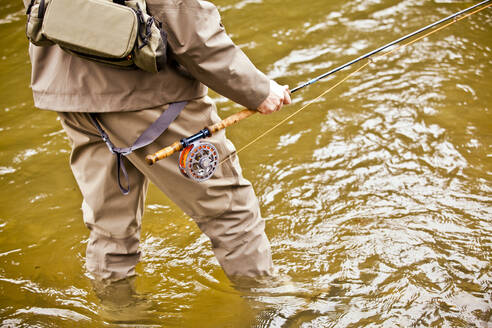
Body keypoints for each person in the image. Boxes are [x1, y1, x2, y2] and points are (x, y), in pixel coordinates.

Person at [26, 0, 291, 284]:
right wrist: (258, 89)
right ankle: (274, 310)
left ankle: (121, 314)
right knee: (230, 212)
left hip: (68, 95)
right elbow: (189, 27)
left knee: (110, 228)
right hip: (148, 97)